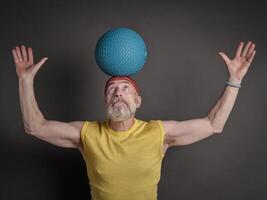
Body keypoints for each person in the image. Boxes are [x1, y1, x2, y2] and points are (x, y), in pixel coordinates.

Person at [12, 41, 256, 200]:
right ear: (106, 101)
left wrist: (234, 81)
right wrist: (25, 81)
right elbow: (35, 126)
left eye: (125, 89)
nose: (118, 92)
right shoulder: (86, 134)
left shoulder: (158, 133)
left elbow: (214, 124)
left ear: (138, 101)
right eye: (112, 89)